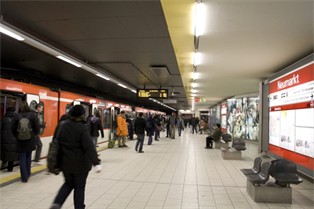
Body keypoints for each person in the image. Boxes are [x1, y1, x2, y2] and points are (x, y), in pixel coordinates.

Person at [49, 105, 101, 209]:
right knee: (79, 187)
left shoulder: (62, 125)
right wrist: (97, 163)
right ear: (82, 115)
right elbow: (89, 147)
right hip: (81, 165)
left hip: (65, 164)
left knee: (68, 184)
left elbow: (55, 142)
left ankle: (57, 203)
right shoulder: (82, 127)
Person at [13, 101, 40, 182]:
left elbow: (12, 129)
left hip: (20, 141)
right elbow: (37, 129)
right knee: (28, 157)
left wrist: (17, 136)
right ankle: (27, 174)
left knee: (22, 158)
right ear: (28, 106)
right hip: (30, 140)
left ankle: (24, 178)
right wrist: (33, 135)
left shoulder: (16, 116)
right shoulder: (33, 115)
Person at [0, 107, 19, 171]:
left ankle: (3, 166)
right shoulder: (16, 119)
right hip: (14, 139)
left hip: (4, 139)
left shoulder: (4, 119)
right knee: (12, 153)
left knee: (5, 152)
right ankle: (10, 168)